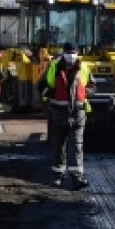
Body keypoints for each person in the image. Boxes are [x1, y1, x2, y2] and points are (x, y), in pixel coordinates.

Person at [40, 42, 92, 189]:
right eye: (68, 52)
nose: (71, 55)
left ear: (77, 53)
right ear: (63, 53)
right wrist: (50, 94)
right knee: (59, 145)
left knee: (76, 145)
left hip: (78, 112)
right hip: (59, 112)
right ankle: (58, 175)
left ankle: (77, 176)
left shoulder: (84, 67)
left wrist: (85, 93)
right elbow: (42, 85)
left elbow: (92, 85)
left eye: (73, 52)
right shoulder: (54, 66)